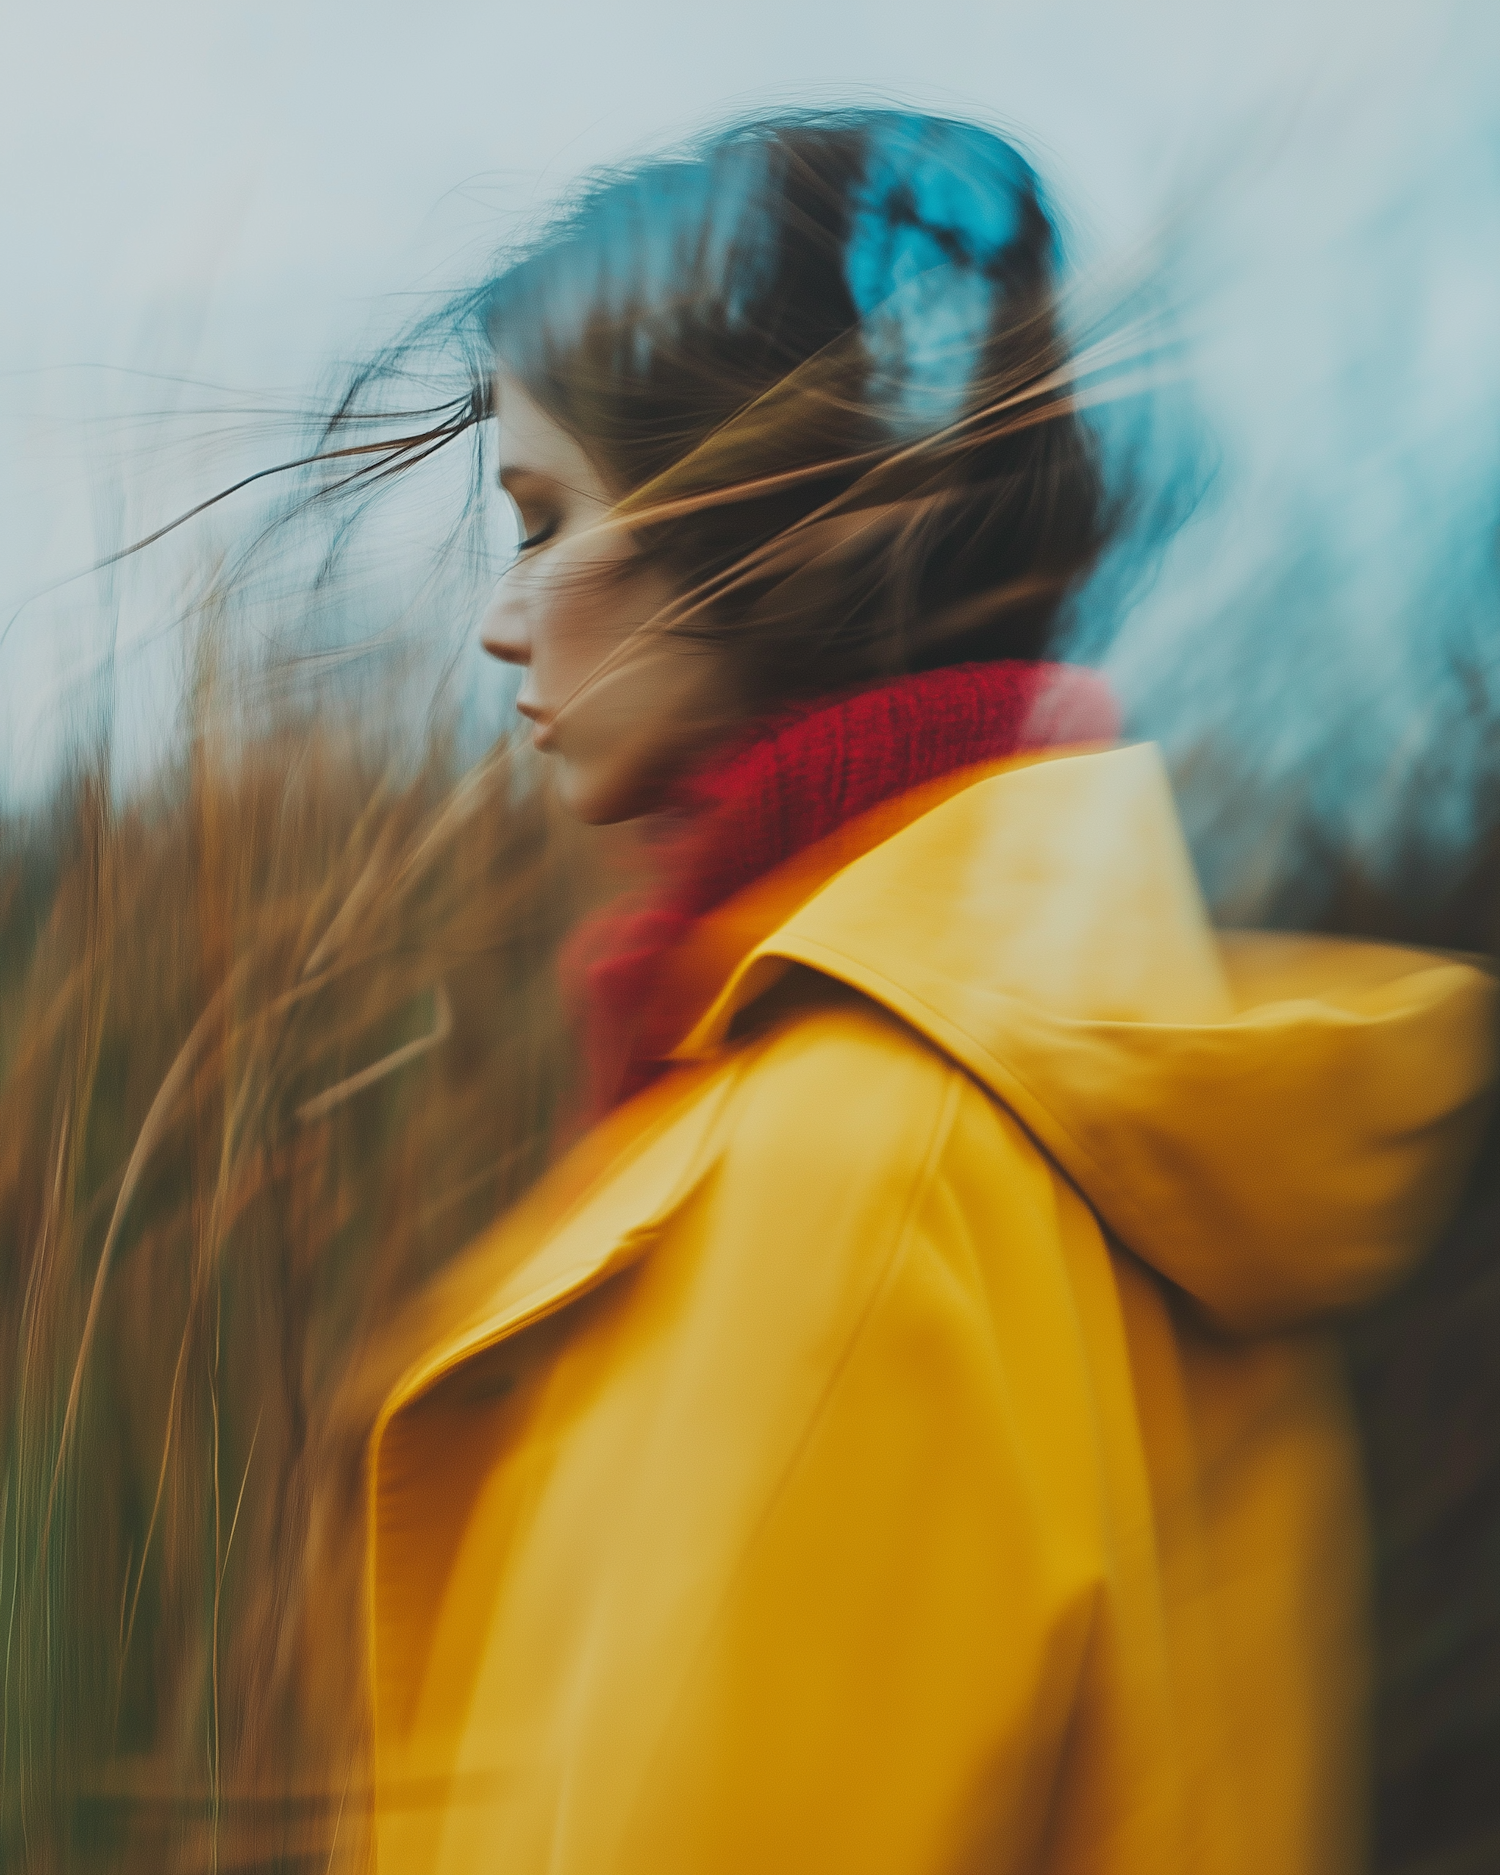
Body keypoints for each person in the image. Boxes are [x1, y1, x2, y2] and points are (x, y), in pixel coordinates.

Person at [361, 112, 1495, 1874]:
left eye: (543, 516)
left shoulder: (849, 1176)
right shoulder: (1111, 1083)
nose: (505, 623)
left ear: (759, 532)